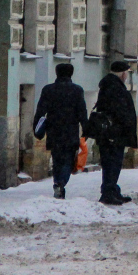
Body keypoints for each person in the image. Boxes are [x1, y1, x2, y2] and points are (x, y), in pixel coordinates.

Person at [32, 63, 87, 199]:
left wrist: (37, 129)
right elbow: (82, 113)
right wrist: (86, 129)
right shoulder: (77, 90)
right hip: (70, 131)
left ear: (56, 73)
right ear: (71, 74)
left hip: (54, 130)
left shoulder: (48, 90)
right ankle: (61, 183)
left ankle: (57, 182)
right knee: (68, 160)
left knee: (57, 159)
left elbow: (40, 112)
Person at [93, 60, 138, 205]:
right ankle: (108, 192)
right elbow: (120, 112)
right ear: (123, 73)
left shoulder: (110, 86)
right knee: (112, 162)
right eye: (126, 73)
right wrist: (125, 127)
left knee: (112, 162)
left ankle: (111, 189)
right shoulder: (114, 88)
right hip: (114, 133)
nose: (127, 76)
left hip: (111, 132)